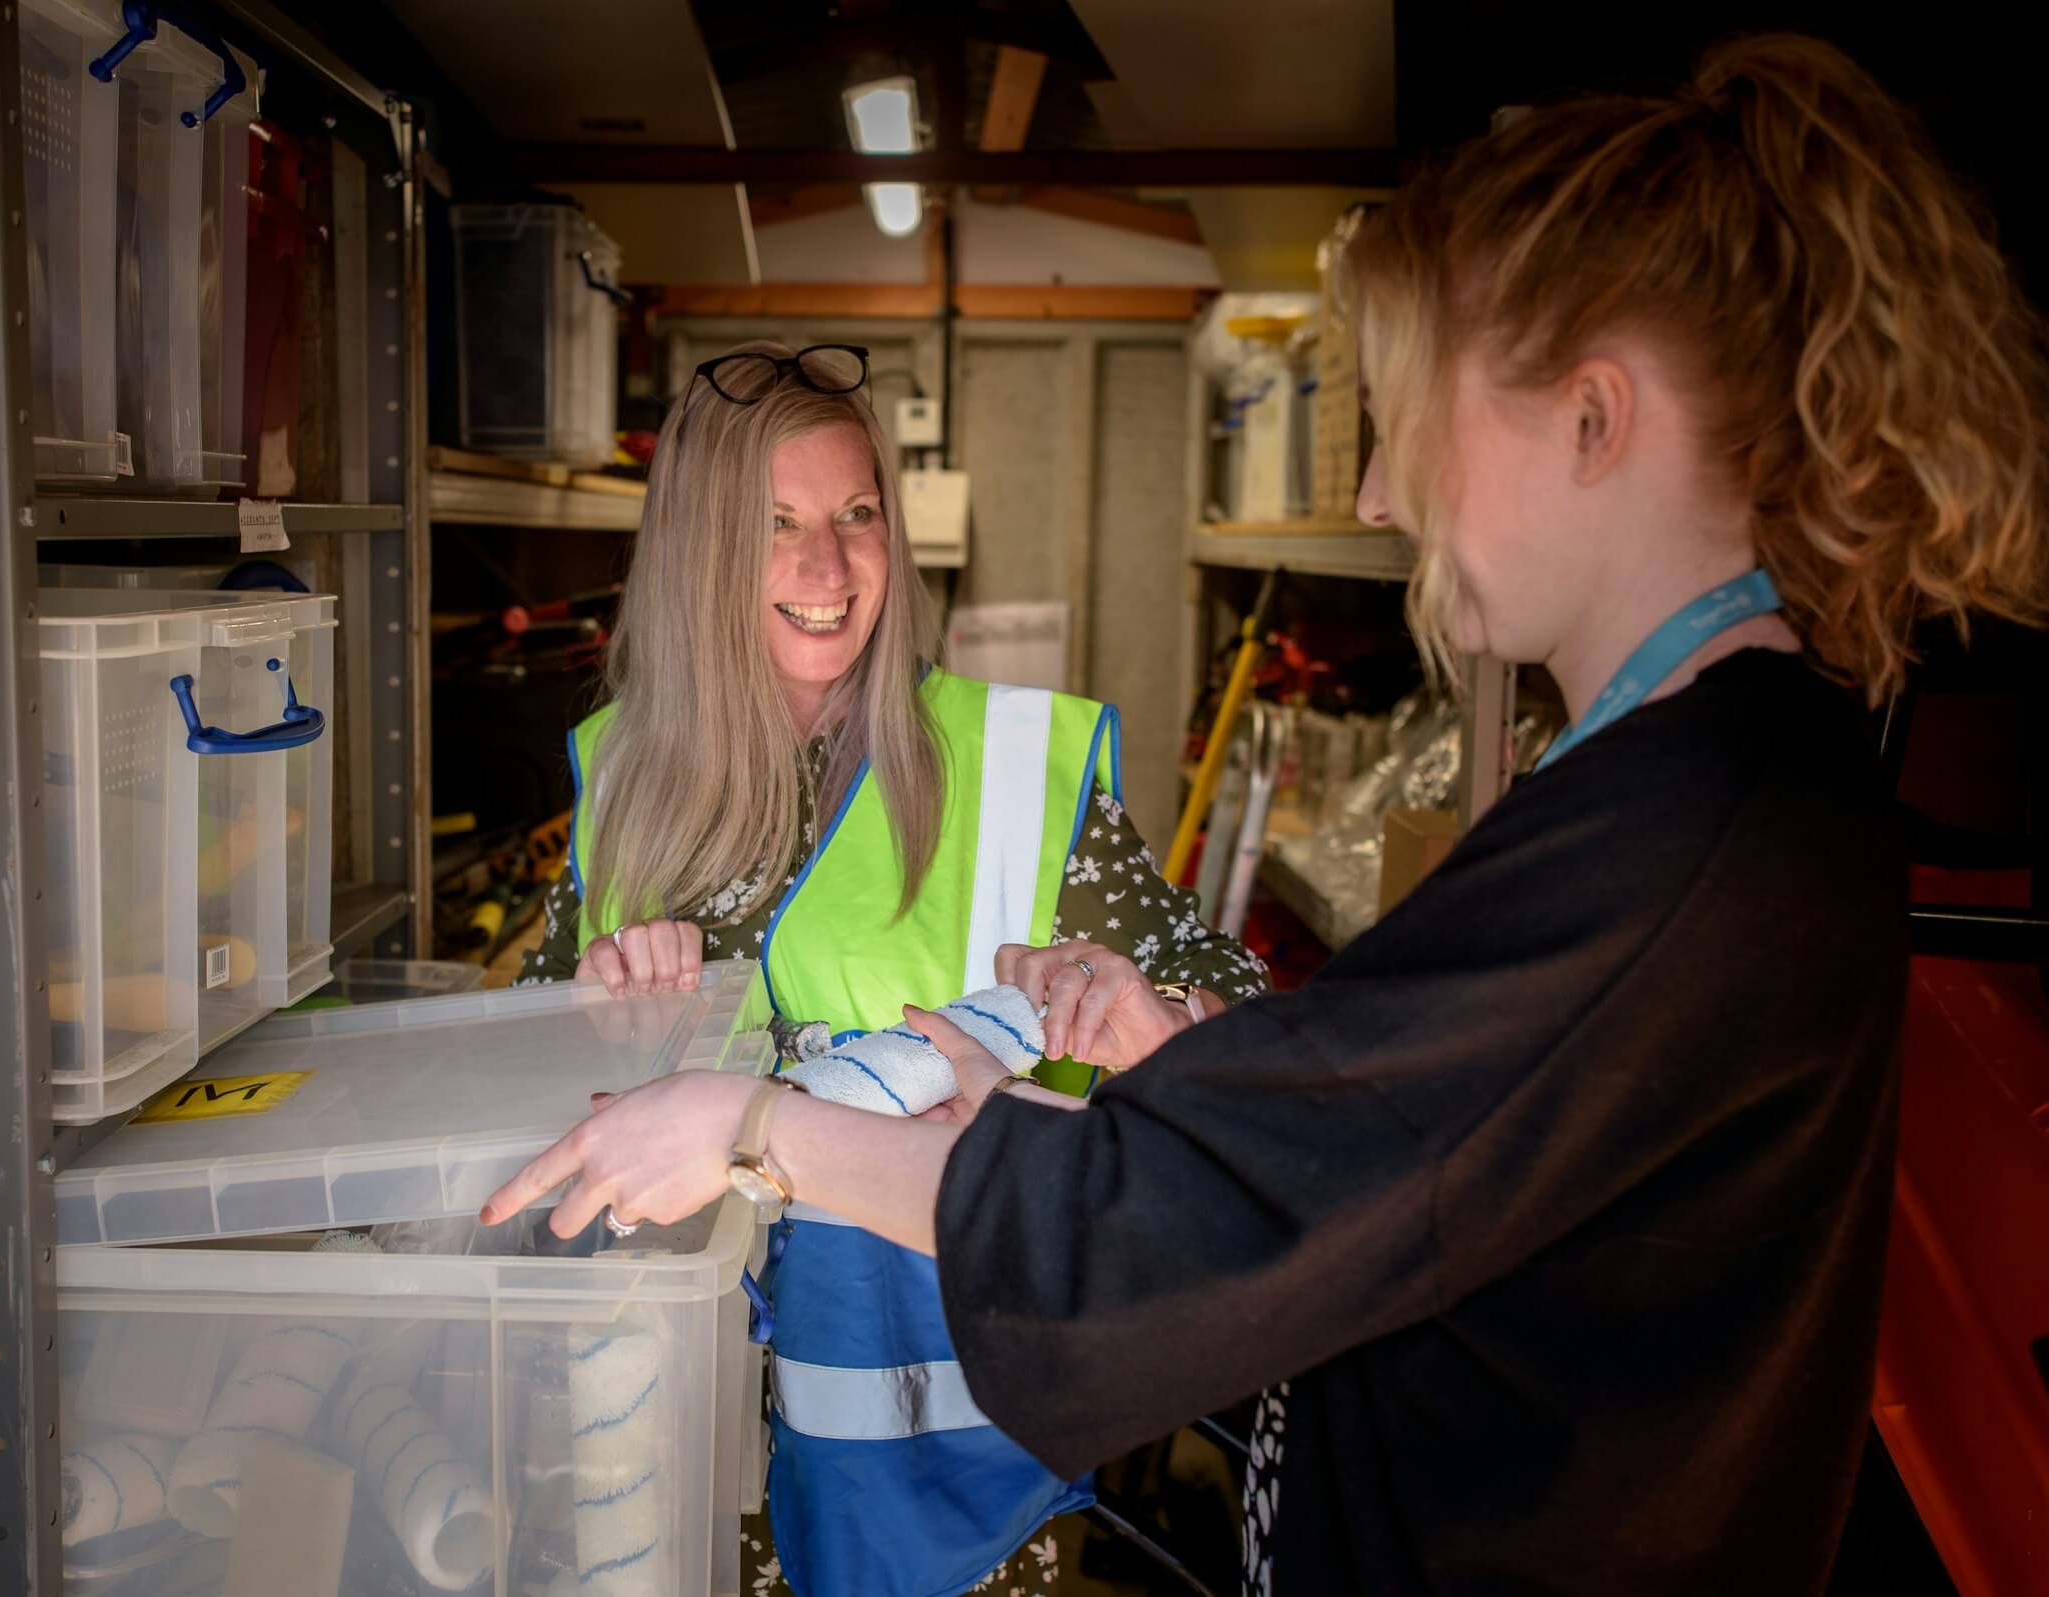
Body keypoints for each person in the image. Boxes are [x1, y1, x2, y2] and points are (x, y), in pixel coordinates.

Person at [487, 35, 2049, 1596]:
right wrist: (1171, 1059)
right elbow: (1367, 1153)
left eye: (1413, 415)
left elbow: (1179, 1225)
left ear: (1589, 420)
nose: (1377, 495)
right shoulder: (1697, 803)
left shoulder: (1685, 843)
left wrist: (756, 1126)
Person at [514, 337, 1272, 1597]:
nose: (828, 567)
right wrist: (591, 1015)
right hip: (672, 1438)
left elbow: (1239, 1025)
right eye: (778, 525)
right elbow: (525, 1100)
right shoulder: (624, 780)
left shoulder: (1012, 764)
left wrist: (1152, 1014)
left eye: (858, 514)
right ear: (704, 552)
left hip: (946, 1449)